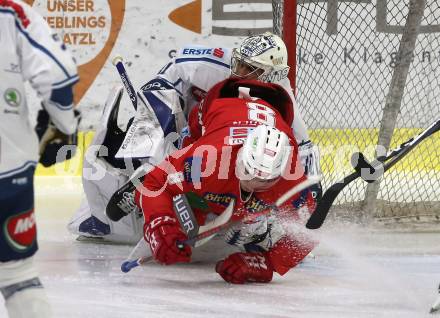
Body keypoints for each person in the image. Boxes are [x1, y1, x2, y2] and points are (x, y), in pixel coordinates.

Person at [68, 32, 320, 243]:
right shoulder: (211, 66)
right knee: (161, 124)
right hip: (189, 127)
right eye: (239, 63)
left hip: (220, 145)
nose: (239, 71)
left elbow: (304, 150)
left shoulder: (283, 98)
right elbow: (168, 75)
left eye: (249, 69)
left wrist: (308, 198)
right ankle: (146, 183)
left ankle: (197, 204)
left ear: (271, 75)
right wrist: (163, 111)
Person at [136, 78, 317, 283]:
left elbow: (308, 232)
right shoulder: (206, 160)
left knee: (273, 218)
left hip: (272, 114)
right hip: (217, 106)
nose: (255, 183)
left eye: (265, 180)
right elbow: (153, 183)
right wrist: (160, 223)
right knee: (185, 157)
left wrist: (267, 262)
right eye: (249, 171)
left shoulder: (292, 180)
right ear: (240, 156)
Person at [0, 0, 79, 317]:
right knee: (18, 276)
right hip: (8, 170)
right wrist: (64, 124)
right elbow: (58, 76)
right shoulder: (9, 11)